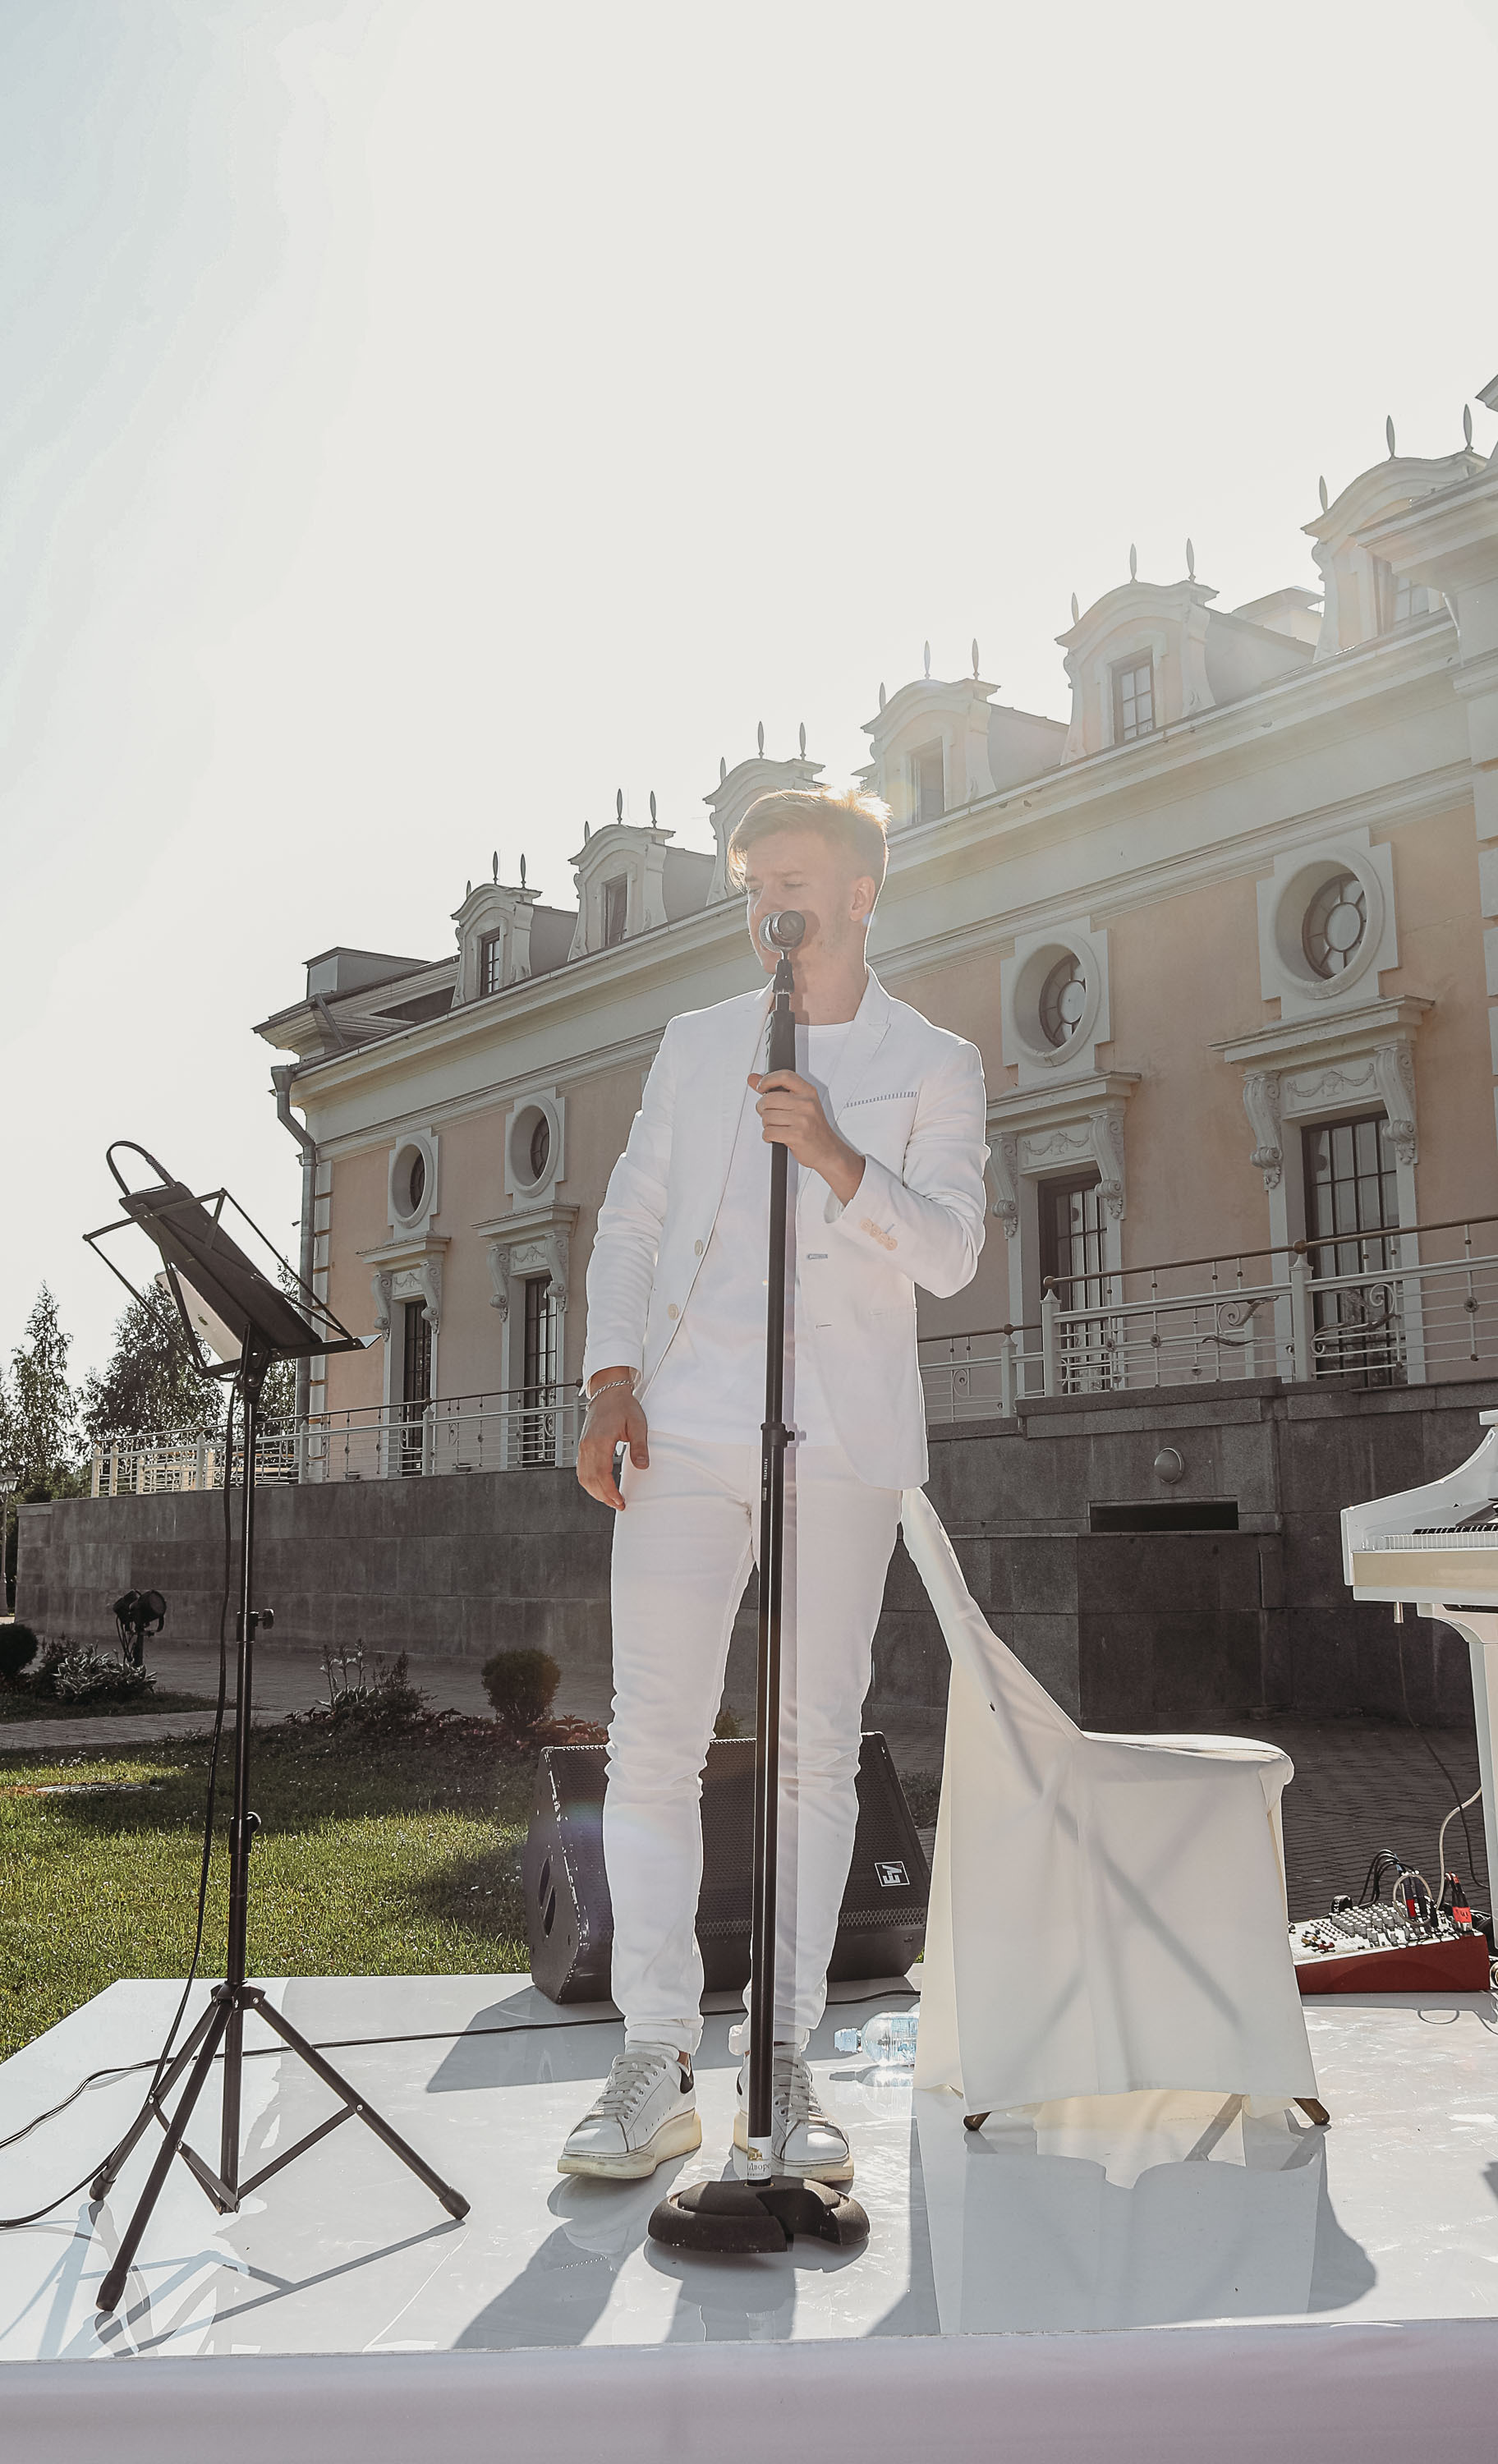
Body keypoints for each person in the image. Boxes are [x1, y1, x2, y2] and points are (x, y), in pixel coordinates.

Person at [558, 784, 988, 2183]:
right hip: (681, 1431)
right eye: (755, 884)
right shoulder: (692, 1048)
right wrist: (608, 1382)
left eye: (795, 878)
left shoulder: (935, 1063)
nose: (771, 903)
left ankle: (787, 2063)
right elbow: (627, 1225)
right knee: (652, 1743)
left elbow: (950, 1255)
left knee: (814, 1746)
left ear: (862, 893)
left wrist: (838, 1154)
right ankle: (652, 2059)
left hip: (845, 1444)